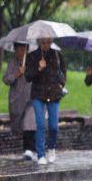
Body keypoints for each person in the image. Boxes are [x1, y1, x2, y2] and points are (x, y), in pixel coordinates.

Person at [25, 37, 66, 165]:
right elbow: (28, 76)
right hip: (38, 94)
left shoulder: (57, 54)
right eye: (43, 42)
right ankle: (41, 154)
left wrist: (62, 83)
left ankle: (51, 147)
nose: (46, 45)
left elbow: (63, 71)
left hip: (54, 93)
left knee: (54, 126)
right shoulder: (32, 56)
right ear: (38, 42)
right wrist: (39, 68)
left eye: (49, 42)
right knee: (41, 124)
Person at [3, 42, 36, 160]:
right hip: (16, 99)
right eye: (19, 50)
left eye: (24, 50)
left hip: (31, 98)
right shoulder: (12, 63)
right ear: (15, 50)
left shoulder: (32, 62)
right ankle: (33, 146)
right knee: (19, 125)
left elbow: (37, 76)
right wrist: (17, 73)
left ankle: (28, 149)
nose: (22, 52)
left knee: (29, 122)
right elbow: (6, 79)